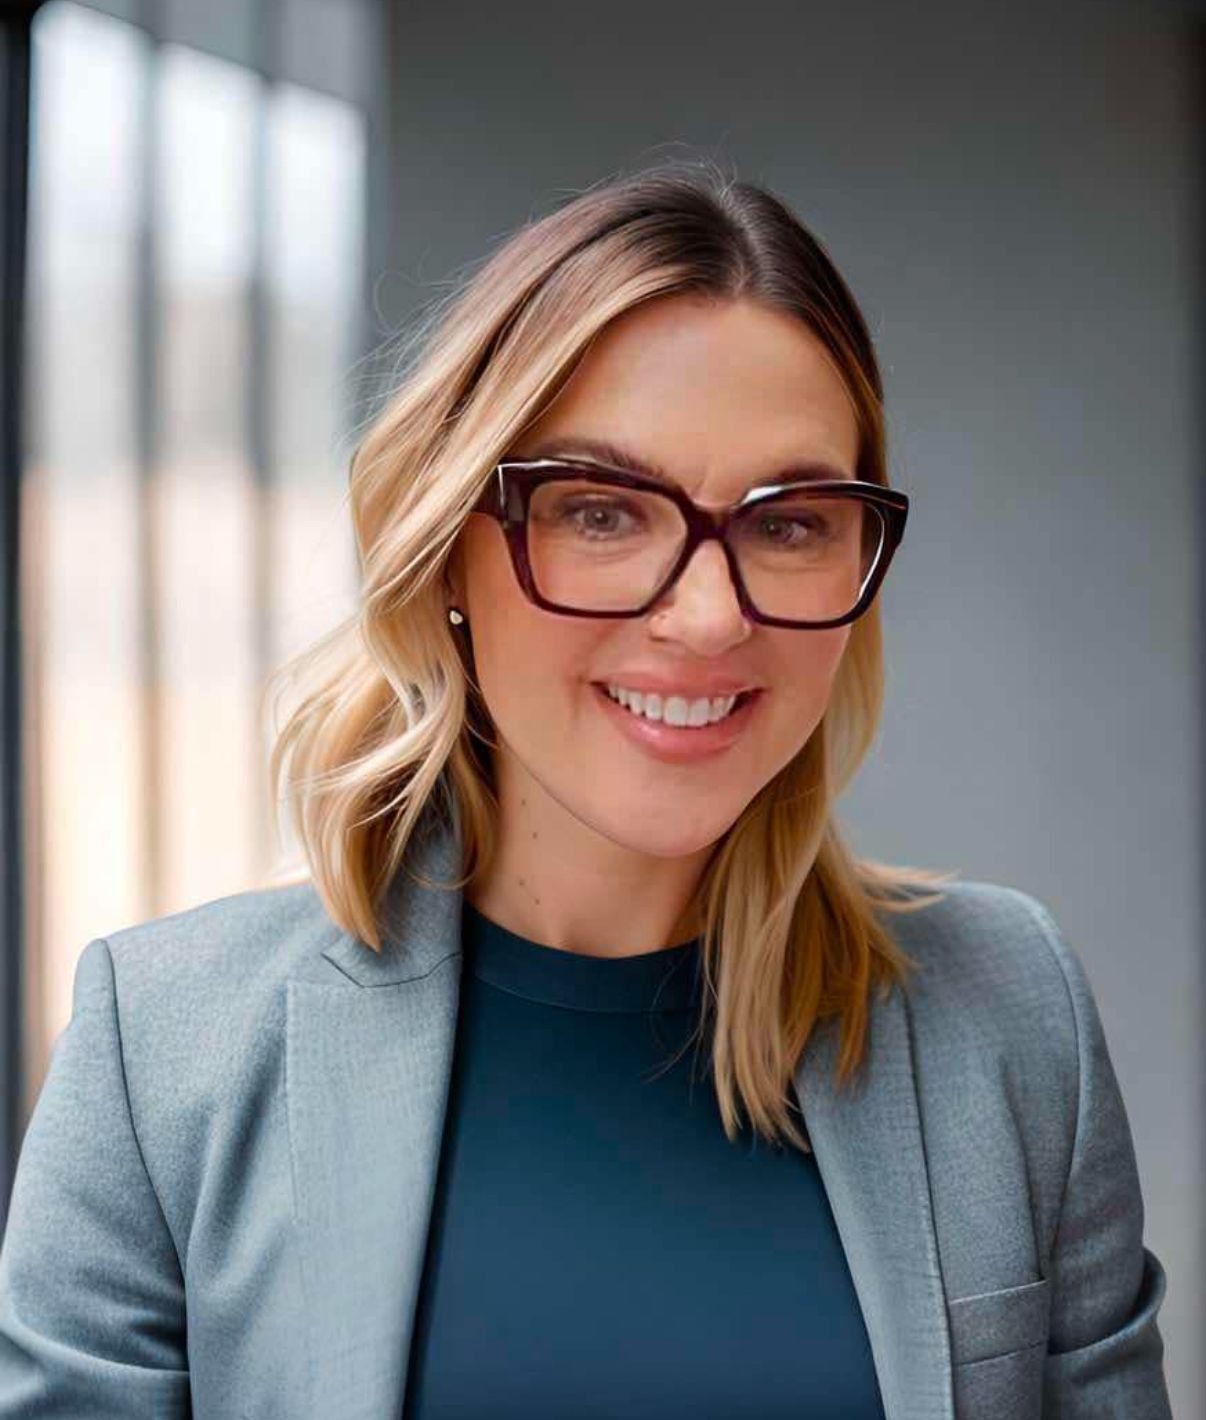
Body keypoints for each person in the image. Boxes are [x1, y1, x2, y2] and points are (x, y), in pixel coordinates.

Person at [0, 162, 1172, 1419]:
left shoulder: (1012, 1013)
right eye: (603, 511)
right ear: (450, 545)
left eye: (789, 521)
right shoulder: (164, 1053)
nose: (711, 616)